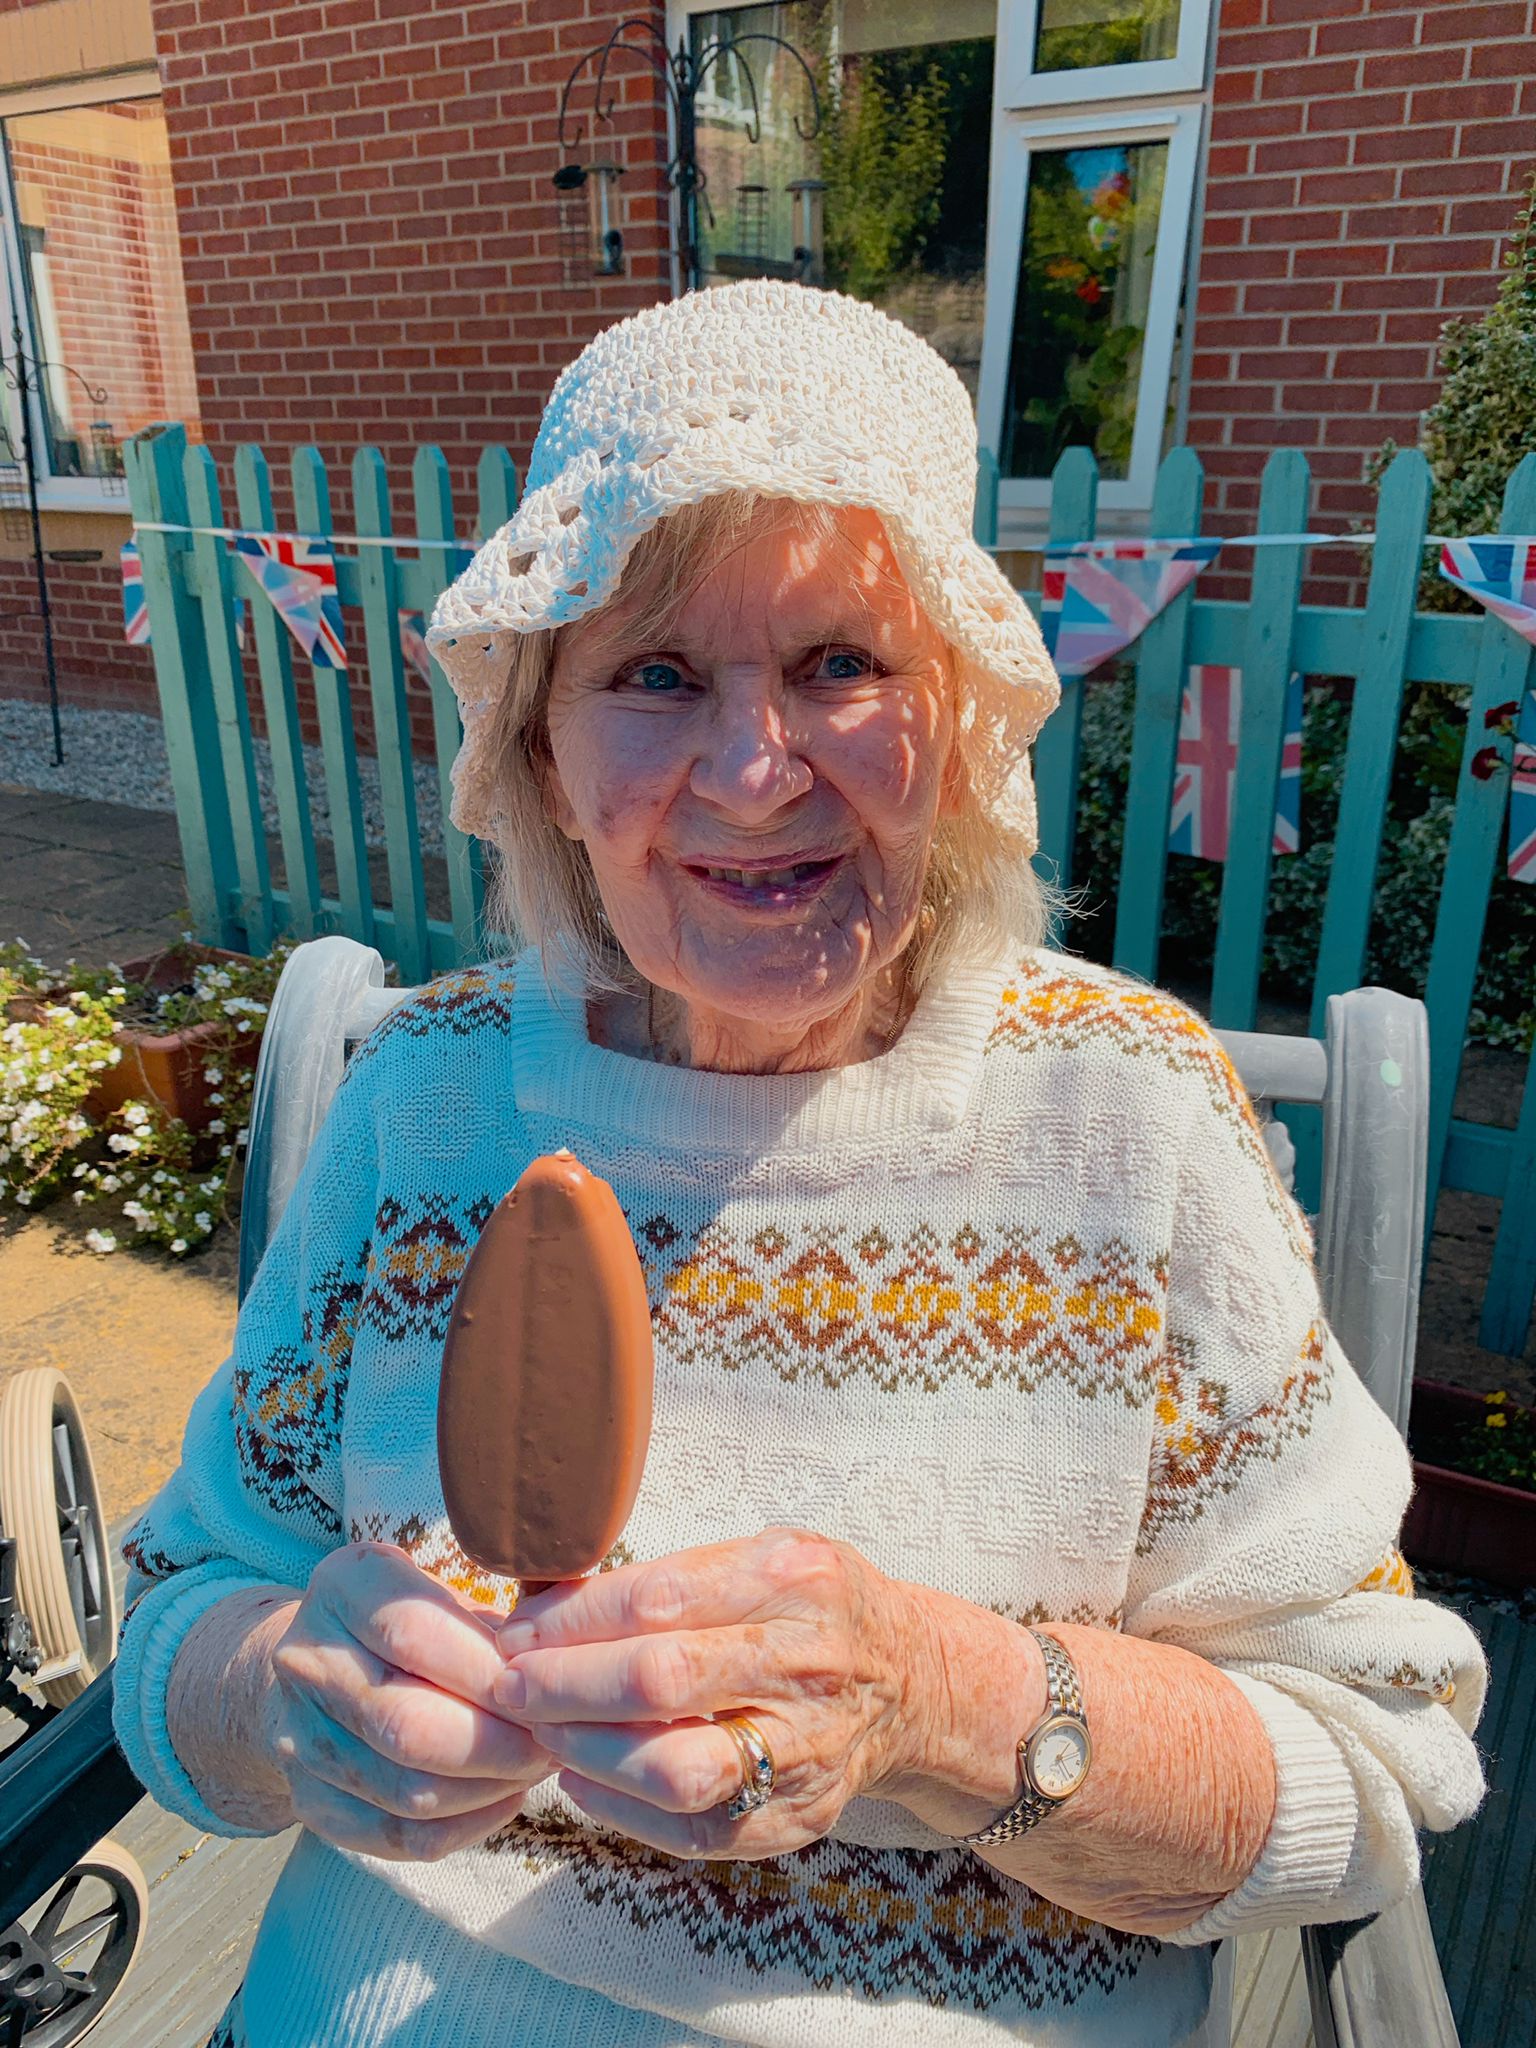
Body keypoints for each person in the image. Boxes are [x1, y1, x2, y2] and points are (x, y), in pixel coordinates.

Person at [115, 280, 1485, 2048]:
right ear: (544, 747)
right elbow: (185, 1608)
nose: (756, 773)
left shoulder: (1126, 1118)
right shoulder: (429, 1099)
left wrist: (944, 1702)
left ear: (963, 719)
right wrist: (278, 1700)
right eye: (656, 675)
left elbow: (1375, 1761)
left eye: (843, 665)